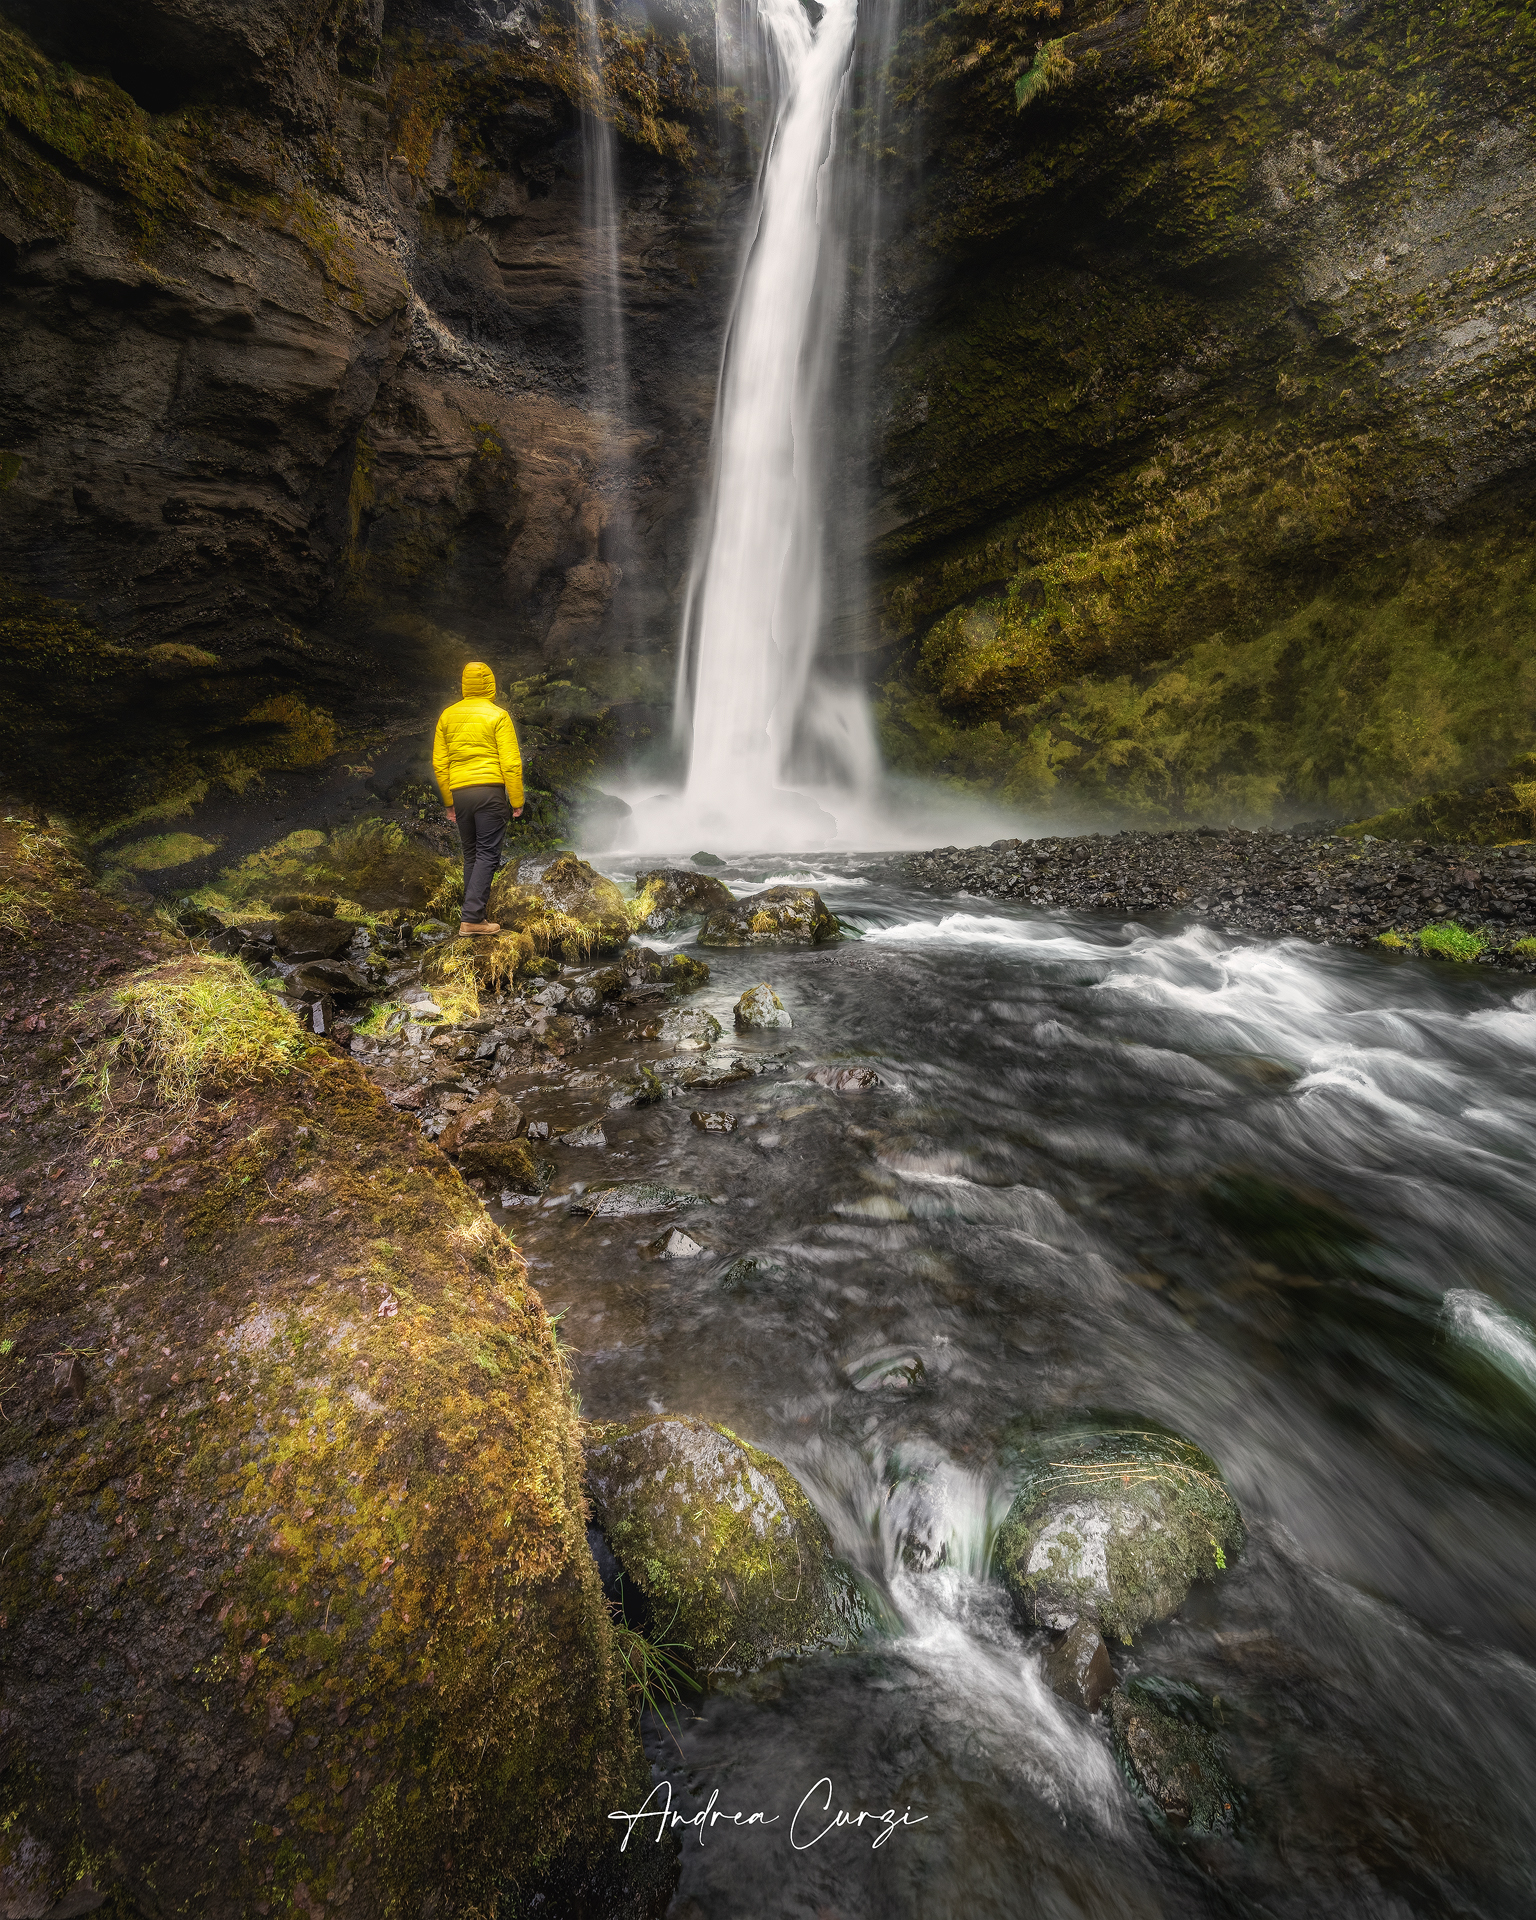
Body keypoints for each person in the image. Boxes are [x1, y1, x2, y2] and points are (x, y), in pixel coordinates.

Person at [432, 662, 524, 935]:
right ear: (490, 684)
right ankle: (472, 918)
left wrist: (449, 801)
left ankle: (473, 915)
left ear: (464, 684)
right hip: (489, 792)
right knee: (487, 853)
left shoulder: (447, 716)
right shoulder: (498, 715)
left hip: (461, 793)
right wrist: (516, 798)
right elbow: (510, 762)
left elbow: (440, 763)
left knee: (471, 853)